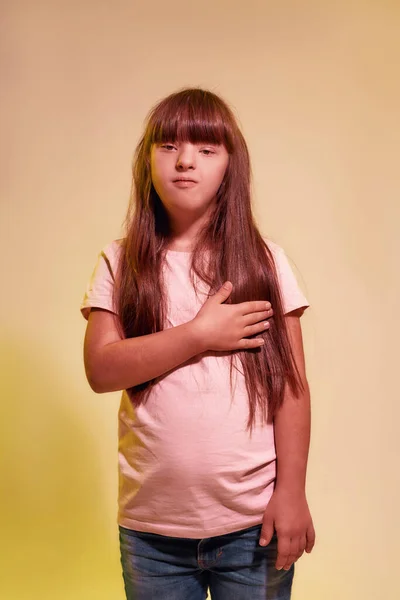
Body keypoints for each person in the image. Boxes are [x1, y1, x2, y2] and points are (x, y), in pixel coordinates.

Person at [80, 87, 315, 600]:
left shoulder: (264, 262)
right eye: (168, 146)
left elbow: (292, 390)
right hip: (151, 533)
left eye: (207, 149)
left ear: (231, 167)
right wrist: (197, 335)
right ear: (146, 160)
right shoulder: (120, 262)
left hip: (253, 525)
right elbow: (101, 370)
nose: (185, 160)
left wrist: (291, 492)